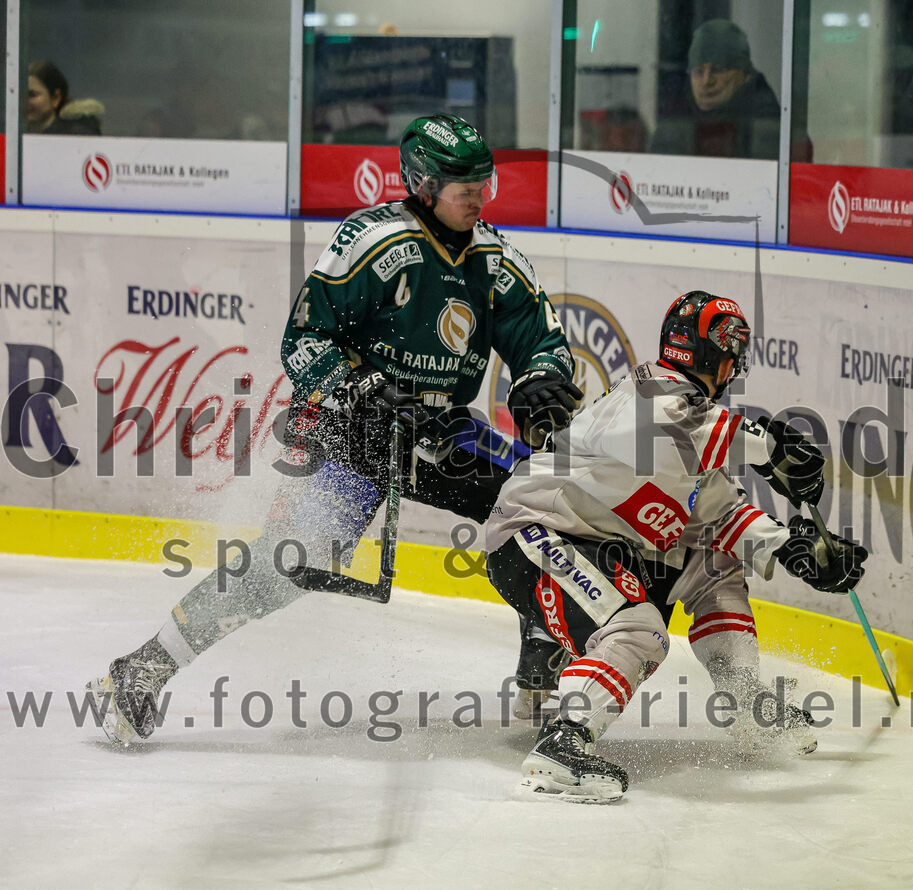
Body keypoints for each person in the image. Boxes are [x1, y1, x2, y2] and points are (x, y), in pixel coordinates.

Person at [87, 113, 582, 744]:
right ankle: (145, 668)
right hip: (360, 431)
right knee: (290, 561)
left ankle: (544, 656)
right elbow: (305, 337)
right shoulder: (374, 241)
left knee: (541, 500)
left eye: (484, 185)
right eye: (466, 187)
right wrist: (357, 390)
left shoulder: (496, 261)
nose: (480, 198)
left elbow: (544, 341)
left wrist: (540, 376)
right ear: (424, 183)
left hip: (444, 429)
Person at [485, 290, 867, 803]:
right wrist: (770, 447)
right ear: (712, 354)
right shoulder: (648, 395)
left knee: (715, 563)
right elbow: (661, 428)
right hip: (537, 532)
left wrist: (794, 548)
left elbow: (719, 515)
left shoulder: (691, 418)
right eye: (730, 348)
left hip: (596, 543)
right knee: (638, 630)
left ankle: (745, 702)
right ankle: (561, 747)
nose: (733, 362)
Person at [649, 20, 811, 161]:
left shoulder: (775, 134)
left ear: (745, 75)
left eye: (718, 70)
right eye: (698, 72)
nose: (706, 81)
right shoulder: (670, 130)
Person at [26, 60, 103, 135]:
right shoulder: (20, 133)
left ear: (55, 98)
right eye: (19, 95)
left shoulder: (76, 135)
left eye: (32, 94)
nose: (23, 101)